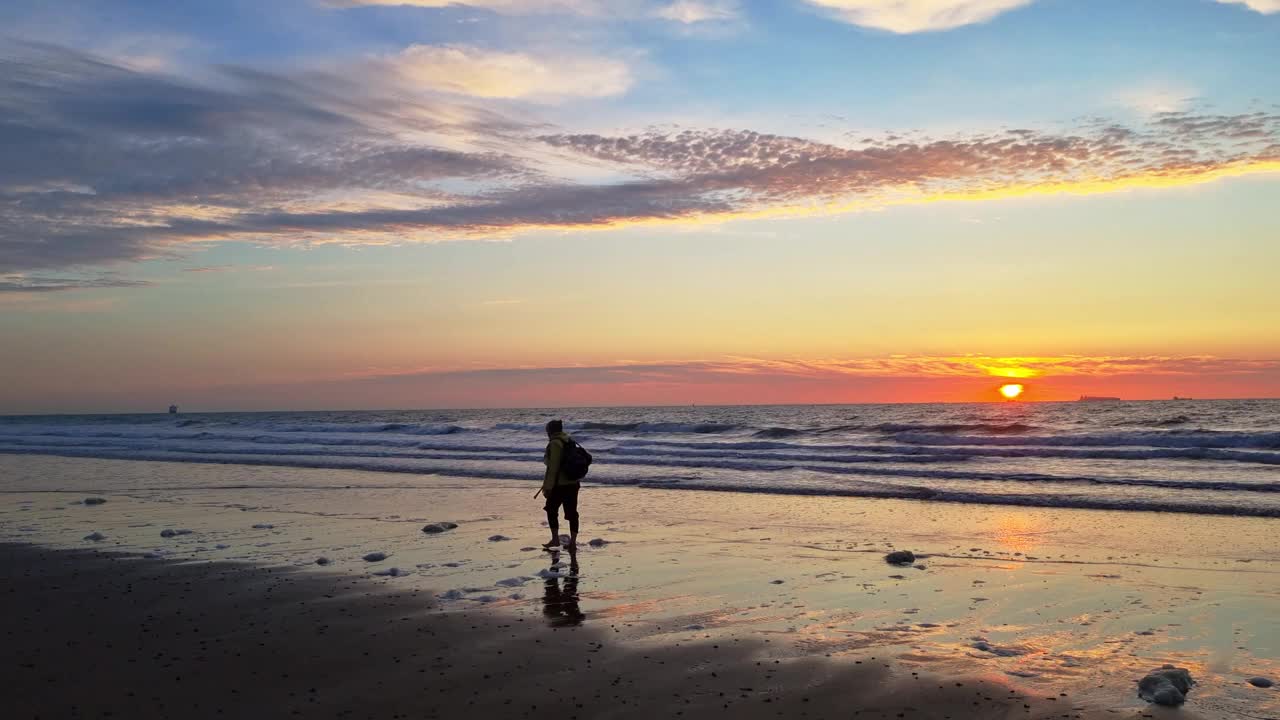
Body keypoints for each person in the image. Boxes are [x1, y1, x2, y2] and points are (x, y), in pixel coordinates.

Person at [538, 419, 580, 549]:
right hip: (573, 482)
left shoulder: (555, 443)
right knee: (572, 513)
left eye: (547, 430)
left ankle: (555, 539)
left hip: (560, 484)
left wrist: (547, 487)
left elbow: (553, 467)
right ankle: (573, 543)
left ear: (550, 430)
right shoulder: (569, 440)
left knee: (551, 510)